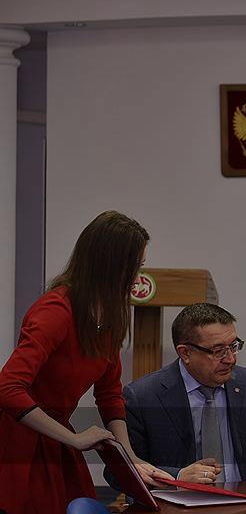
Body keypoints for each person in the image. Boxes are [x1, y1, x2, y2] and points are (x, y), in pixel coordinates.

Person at [0, 211, 169, 514]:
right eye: (134, 267)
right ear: (110, 265)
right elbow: (8, 388)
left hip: (58, 439)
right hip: (19, 443)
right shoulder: (56, 311)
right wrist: (74, 439)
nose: (137, 277)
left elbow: (109, 395)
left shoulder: (110, 316)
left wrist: (131, 459)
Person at [110, 303, 246, 487]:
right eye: (218, 351)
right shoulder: (143, 397)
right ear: (185, 353)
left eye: (234, 346)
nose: (231, 359)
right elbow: (118, 473)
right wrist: (177, 477)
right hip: (177, 501)